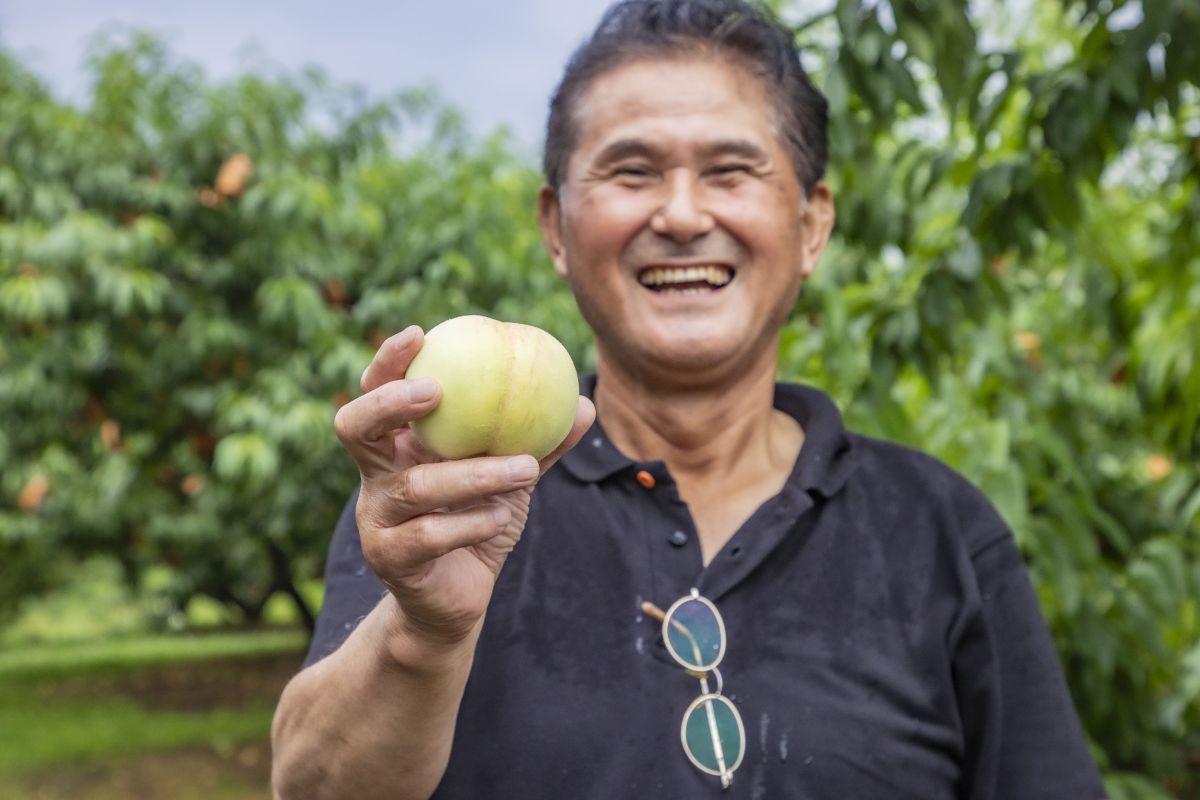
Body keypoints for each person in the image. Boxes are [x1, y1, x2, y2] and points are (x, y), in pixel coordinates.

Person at [271, 1, 1107, 798]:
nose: (679, 214)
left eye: (731, 170)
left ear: (812, 225)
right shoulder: (454, 498)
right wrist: (423, 634)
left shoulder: (936, 529)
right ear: (555, 227)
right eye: (631, 171)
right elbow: (309, 790)